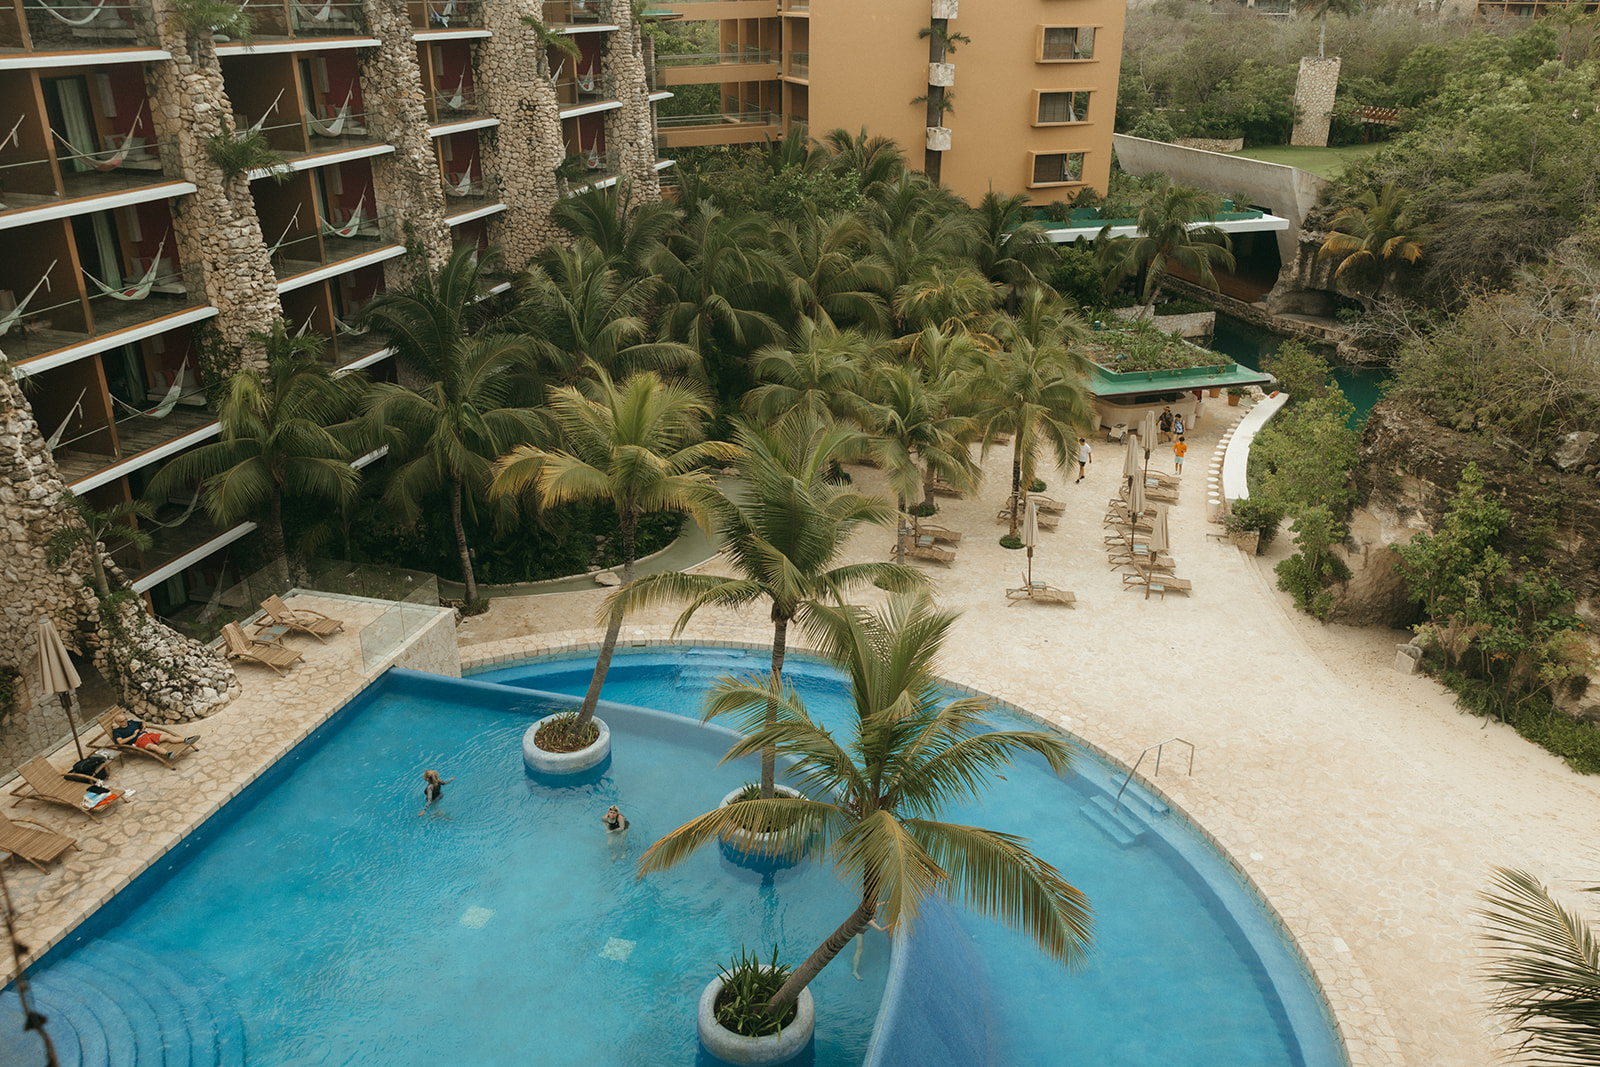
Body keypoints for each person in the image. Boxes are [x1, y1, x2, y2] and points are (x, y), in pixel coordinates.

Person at [110, 713, 197, 760]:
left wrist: (143, 727)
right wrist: (133, 735)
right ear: (118, 723)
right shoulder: (117, 731)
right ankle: (168, 754)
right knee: (152, 747)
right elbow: (120, 742)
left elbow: (142, 723)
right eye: (123, 721)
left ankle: (186, 739)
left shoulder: (131, 722)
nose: (126, 721)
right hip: (138, 741)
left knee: (167, 736)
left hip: (147, 734)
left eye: (125, 719)